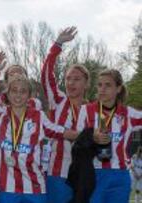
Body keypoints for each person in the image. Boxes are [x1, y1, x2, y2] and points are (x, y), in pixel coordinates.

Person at [0, 64, 78, 203]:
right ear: (7, 94)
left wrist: (89, 135)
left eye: (23, 91)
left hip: (34, 185)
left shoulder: (38, 116)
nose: (18, 95)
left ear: (29, 95)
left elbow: (61, 132)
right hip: (8, 186)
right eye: (14, 91)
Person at [76, 69, 142, 203]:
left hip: (120, 174)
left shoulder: (128, 113)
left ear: (118, 88)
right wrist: (92, 137)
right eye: (99, 85)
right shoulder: (86, 110)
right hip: (94, 173)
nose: (102, 89)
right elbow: (77, 141)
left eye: (108, 85)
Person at [41, 27, 90, 203]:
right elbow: (47, 75)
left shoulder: (93, 111)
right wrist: (57, 44)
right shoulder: (59, 100)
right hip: (57, 175)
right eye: (68, 78)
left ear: (86, 84)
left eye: (76, 79)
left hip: (84, 177)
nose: (71, 82)